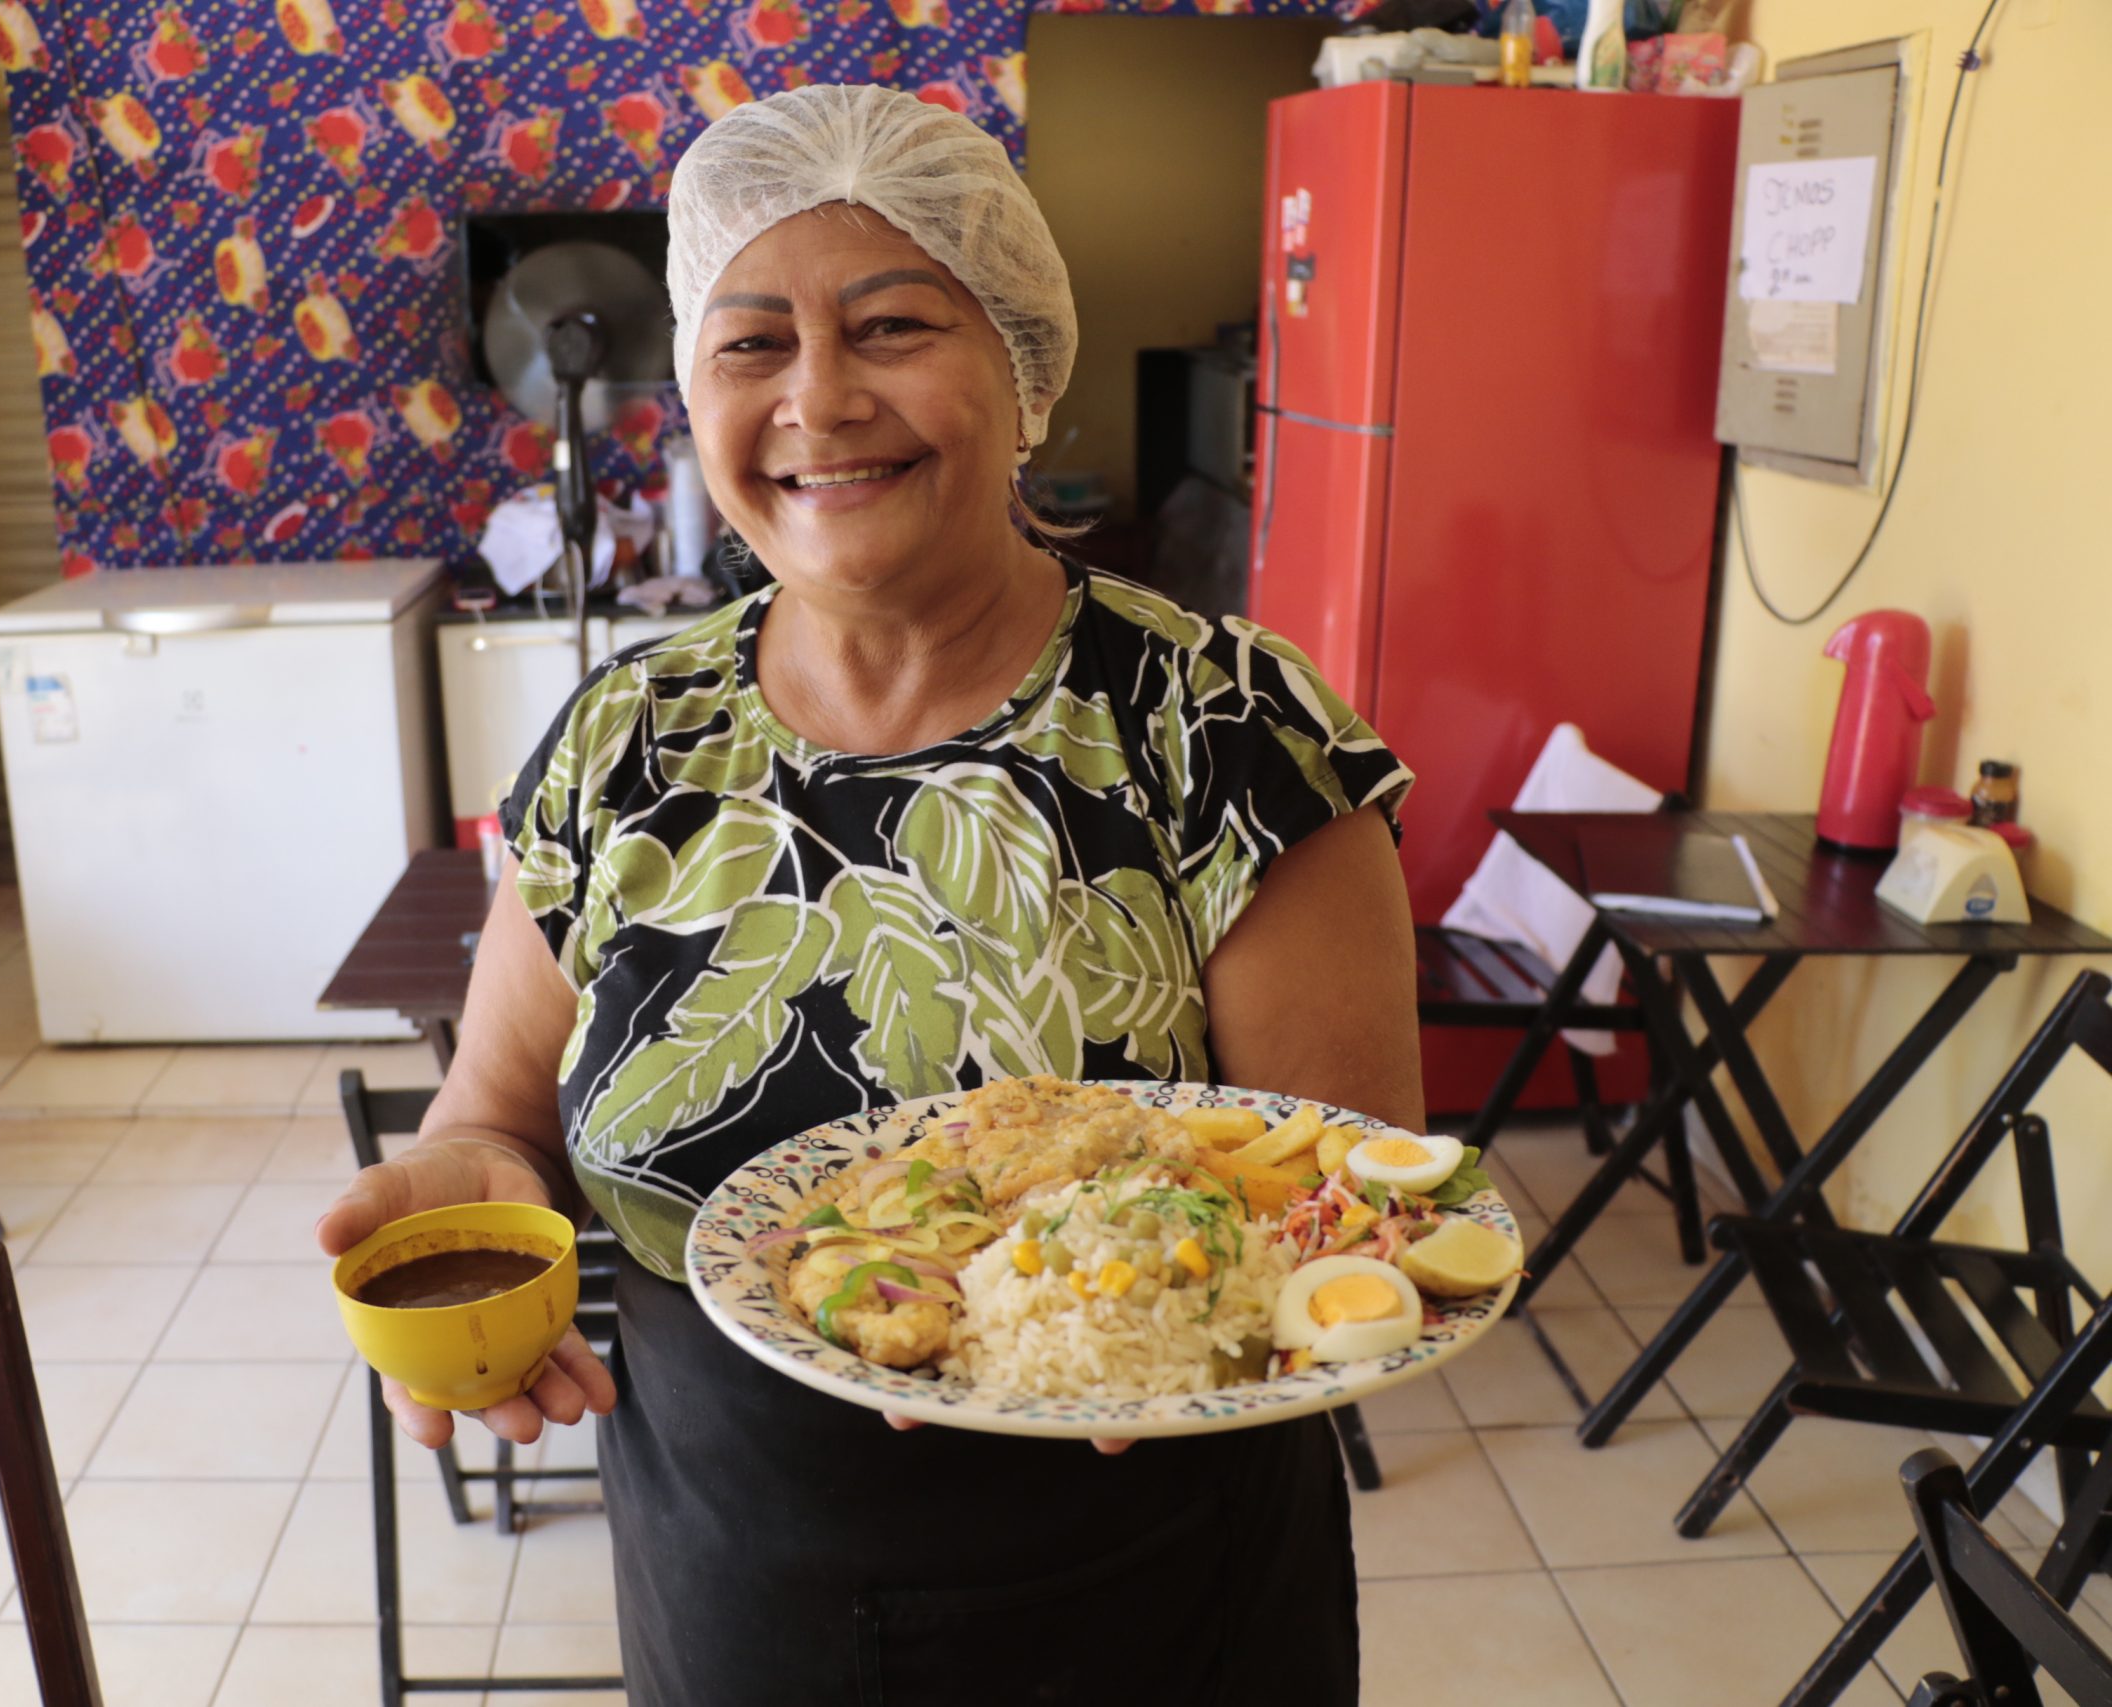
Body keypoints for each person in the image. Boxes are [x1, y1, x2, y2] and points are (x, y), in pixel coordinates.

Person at [319, 84, 1421, 1705]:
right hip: (731, 1585)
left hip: (1147, 1595)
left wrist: (1145, 1318)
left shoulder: (1229, 730)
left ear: (1023, 367)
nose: (818, 400)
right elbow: (501, 1109)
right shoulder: (628, 740)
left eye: (893, 324)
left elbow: (1365, 1201)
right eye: (751, 344)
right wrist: (468, 1195)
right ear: (692, 391)